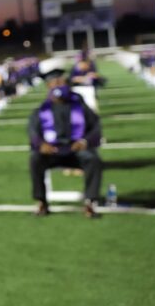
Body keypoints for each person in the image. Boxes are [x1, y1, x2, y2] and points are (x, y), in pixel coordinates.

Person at [28, 69, 103, 218]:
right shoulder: (42, 110)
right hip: (53, 152)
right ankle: (42, 202)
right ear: (48, 86)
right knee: (35, 159)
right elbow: (33, 132)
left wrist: (85, 141)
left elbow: (96, 126)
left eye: (61, 82)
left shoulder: (79, 105)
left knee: (93, 159)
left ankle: (90, 201)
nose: (58, 85)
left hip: (76, 150)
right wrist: (41, 144)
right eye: (54, 82)